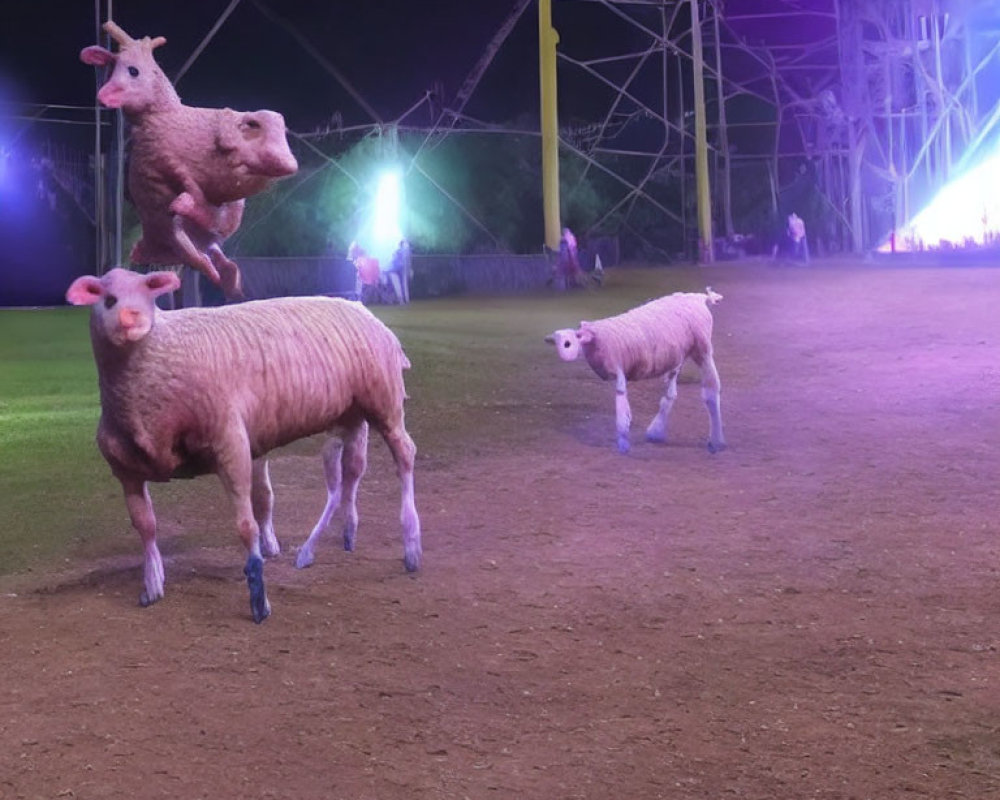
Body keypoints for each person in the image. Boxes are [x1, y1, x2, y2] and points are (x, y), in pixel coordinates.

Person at [387, 239, 412, 304]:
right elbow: (406, 261)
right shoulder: (403, 251)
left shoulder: (398, 251)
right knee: (402, 285)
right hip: (397, 269)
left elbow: (394, 260)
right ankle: (404, 300)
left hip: (397, 269)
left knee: (400, 286)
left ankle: (403, 300)